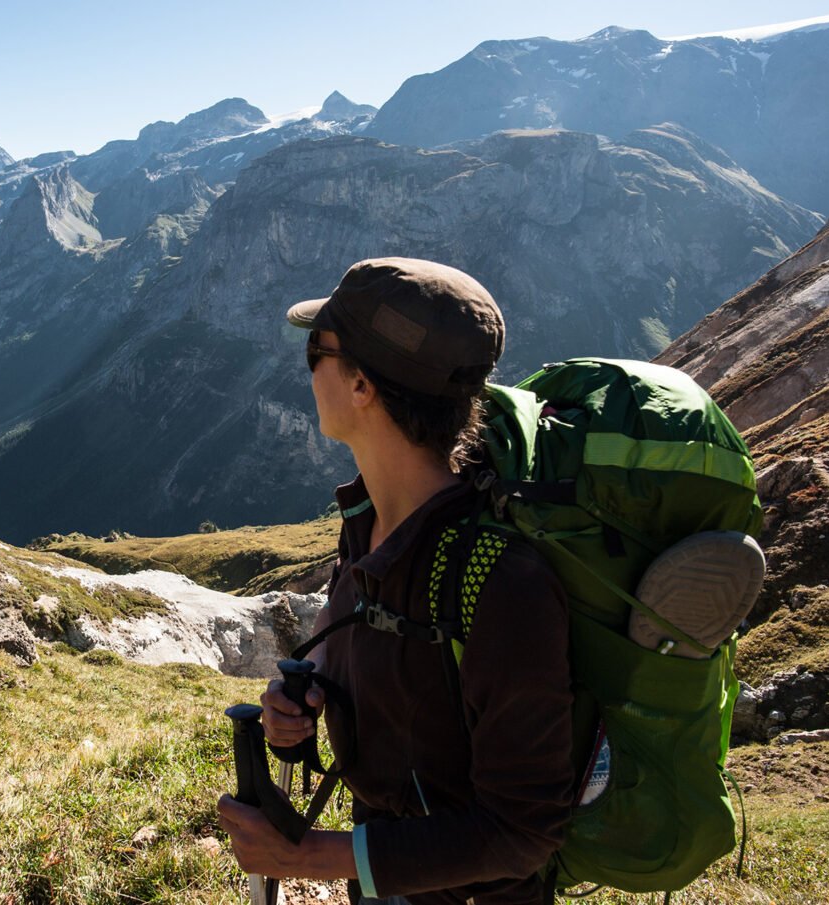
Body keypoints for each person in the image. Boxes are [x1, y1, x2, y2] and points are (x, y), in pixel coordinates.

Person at [217, 257, 574, 904]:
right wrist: (310, 678)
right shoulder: (369, 520)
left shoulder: (503, 584)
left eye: (315, 350)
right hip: (387, 881)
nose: (308, 367)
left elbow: (524, 831)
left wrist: (310, 854)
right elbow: (346, 604)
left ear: (363, 388)